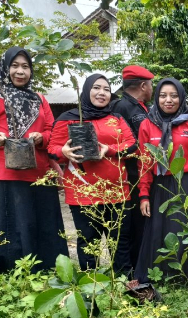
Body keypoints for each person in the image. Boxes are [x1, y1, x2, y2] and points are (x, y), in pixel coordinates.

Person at [0, 47, 67, 275]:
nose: (20, 71)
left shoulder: (39, 99)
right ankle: (9, 274)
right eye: (15, 66)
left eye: (25, 66)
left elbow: (51, 129)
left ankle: (46, 271)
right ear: (5, 68)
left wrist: (42, 137)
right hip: (6, 173)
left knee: (43, 223)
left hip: (39, 172)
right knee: (13, 226)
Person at [49, 74, 136, 271]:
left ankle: (124, 287)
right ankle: (91, 290)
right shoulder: (68, 118)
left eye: (106, 89)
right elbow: (52, 149)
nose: (102, 93)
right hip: (83, 193)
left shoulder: (116, 118)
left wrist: (110, 149)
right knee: (89, 244)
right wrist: (63, 152)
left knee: (120, 243)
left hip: (118, 192)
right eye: (97, 88)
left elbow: (132, 144)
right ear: (87, 90)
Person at [134, 78, 188, 283]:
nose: (168, 100)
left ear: (181, 97)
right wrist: (143, 194)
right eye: (163, 95)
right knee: (160, 230)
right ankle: (164, 275)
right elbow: (144, 162)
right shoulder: (147, 124)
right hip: (161, 184)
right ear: (156, 98)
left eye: (174, 95)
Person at [112, 65, 154, 272]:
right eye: (151, 85)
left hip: (143, 173)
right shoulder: (121, 108)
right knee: (134, 224)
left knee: (142, 224)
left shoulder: (140, 107)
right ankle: (133, 270)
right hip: (132, 176)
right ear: (144, 85)